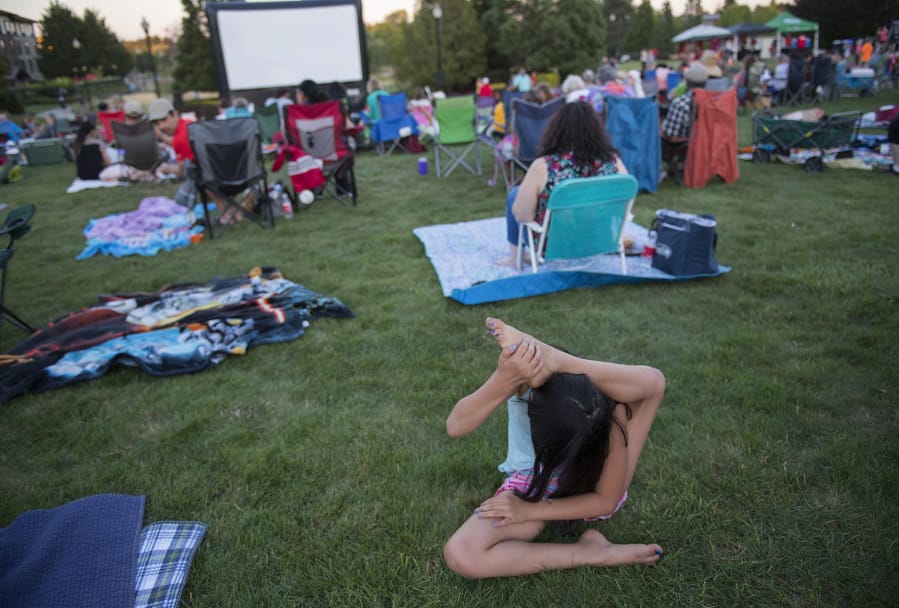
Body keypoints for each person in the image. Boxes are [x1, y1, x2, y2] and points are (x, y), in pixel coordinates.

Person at [443, 317, 665, 578]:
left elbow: (605, 501)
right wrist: (504, 380)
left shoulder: (609, 415)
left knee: (650, 389)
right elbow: (455, 425)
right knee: (463, 554)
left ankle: (556, 358)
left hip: (591, 477)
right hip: (534, 480)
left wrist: (530, 511)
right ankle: (591, 551)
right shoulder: (528, 386)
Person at [497, 101, 628, 267]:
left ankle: (516, 259)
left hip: (552, 246)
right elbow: (622, 206)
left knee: (515, 194)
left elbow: (523, 216)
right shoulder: (614, 163)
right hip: (598, 240)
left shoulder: (544, 166)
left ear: (556, 130)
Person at [660, 63, 707, 177]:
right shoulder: (712, 101)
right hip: (705, 141)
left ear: (687, 82)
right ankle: (680, 166)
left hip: (683, 144)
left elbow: (670, 134)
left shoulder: (681, 102)